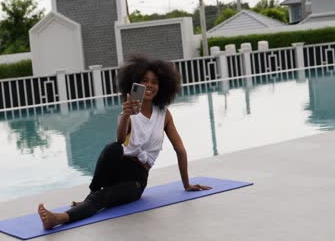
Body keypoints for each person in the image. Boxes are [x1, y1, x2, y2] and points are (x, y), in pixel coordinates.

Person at [38, 55, 211, 230]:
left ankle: (60, 218)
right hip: (117, 167)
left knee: (102, 199)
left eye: (155, 82)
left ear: (162, 86)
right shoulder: (129, 109)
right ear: (135, 83)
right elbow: (121, 140)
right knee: (113, 148)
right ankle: (89, 196)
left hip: (136, 180)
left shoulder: (164, 114)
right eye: (144, 80)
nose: (150, 85)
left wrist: (186, 184)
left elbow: (180, 150)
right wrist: (126, 114)